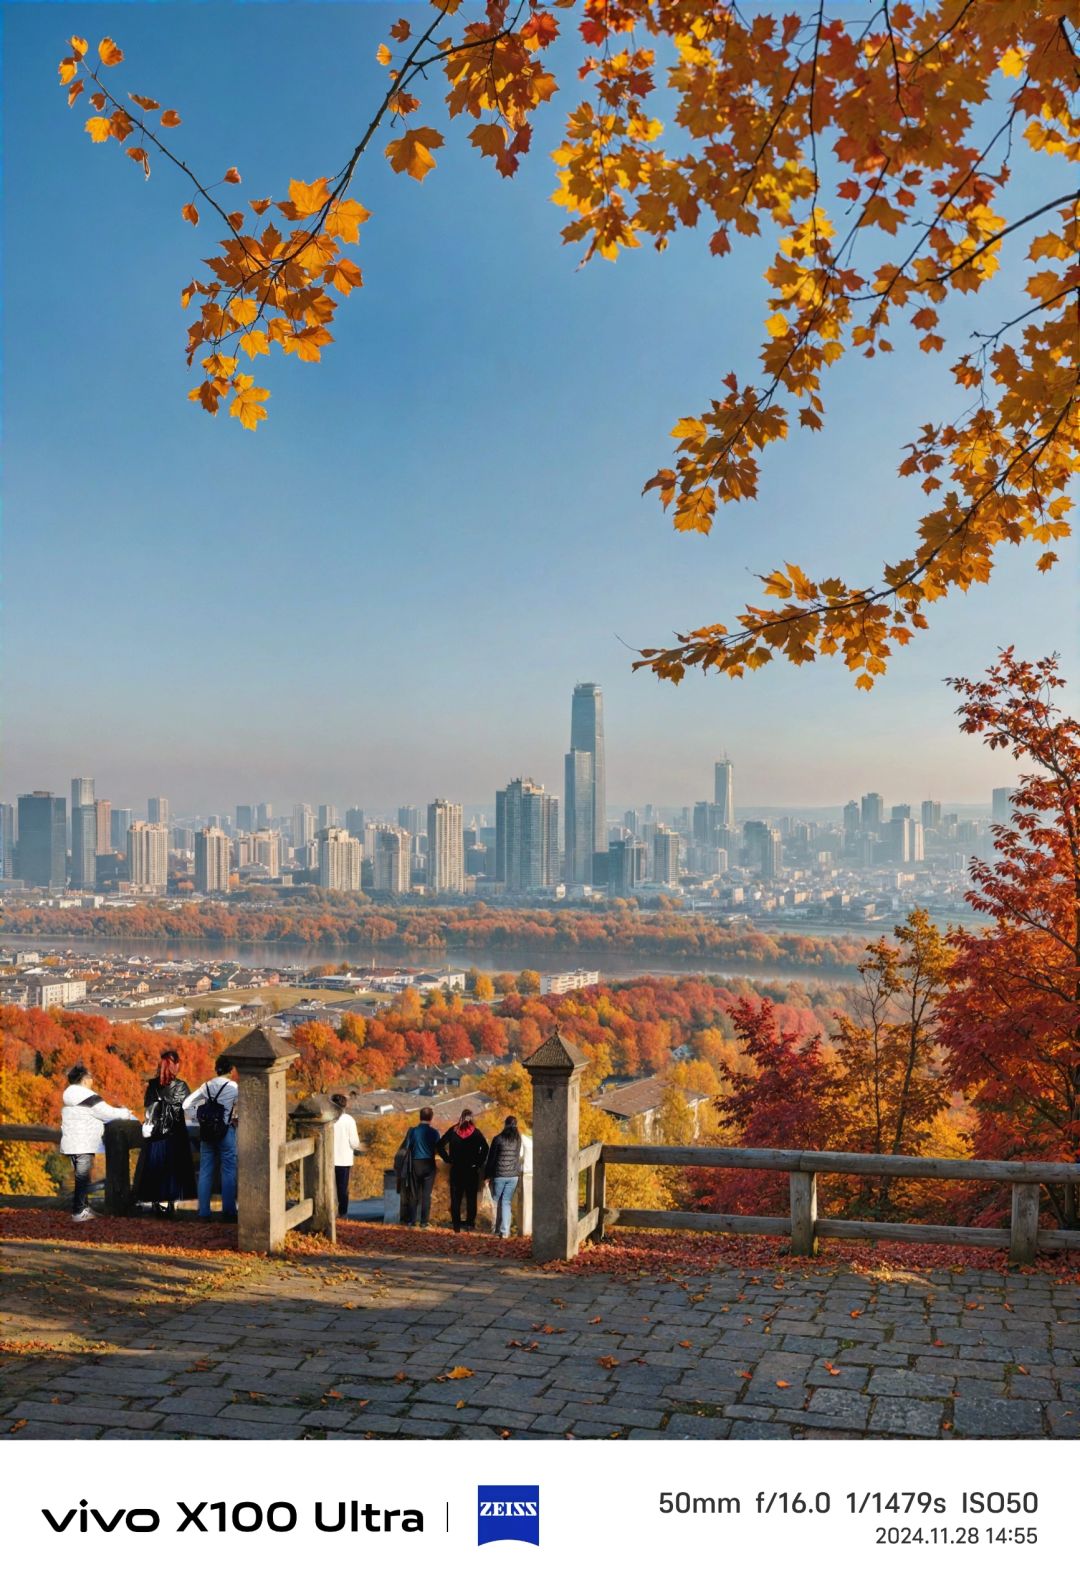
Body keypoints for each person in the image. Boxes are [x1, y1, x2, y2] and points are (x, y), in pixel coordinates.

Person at [59, 1065, 136, 1222]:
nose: (92, 1081)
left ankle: (82, 1208)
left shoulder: (69, 1097)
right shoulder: (89, 1098)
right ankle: (79, 1212)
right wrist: (126, 1113)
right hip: (84, 1141)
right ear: (85, 1080)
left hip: (71, 1141)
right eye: (90, 1078)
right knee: (82, 1177)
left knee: (81, 1175)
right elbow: (107, 1113)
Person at [132, 1049, 197, 1217]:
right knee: (174, 1169)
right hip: (176, 1134)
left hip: (156, 1135)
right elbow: (189, 1109)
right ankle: (170, 1205)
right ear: (175, 1065)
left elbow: (148, 1108)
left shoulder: (153, 1085)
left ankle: (155, 1203)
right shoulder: (181, 1086)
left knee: (155, 1167)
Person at [183, 1057, 238, 1221]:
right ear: (231, 1070)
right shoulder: (234, 1087)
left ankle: (204, 1212)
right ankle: (228, 1212)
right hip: (225, 1131)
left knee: (206, 1171)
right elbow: (243, 1106)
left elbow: (186, 1104)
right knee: (228, 1171)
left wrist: (198, 1117)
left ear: (217, 1069)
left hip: (207, 1132)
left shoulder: (206, 1086)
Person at [436, 1108, 489, 1233]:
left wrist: (448, 1159)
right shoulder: (476, 1133)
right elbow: (485, 1148)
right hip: (471, 1170)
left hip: (456, 1169)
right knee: (471, 1198)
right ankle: (470, 1224)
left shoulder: (453, 1131)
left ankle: (456, 1225)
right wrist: (478, 1162)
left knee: (456, 1198)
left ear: (461, 1117)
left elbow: (439, 1145)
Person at [485, 1115, 526, 1239]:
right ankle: (505, 1231)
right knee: (506, 1202)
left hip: (499, 1175)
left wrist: (487, 1175)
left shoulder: (498, 1139)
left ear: (505, 1124)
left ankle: (496, 1229)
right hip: (513, 1175)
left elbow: (491, 1159)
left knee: (496, 1201)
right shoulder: (518, 1140)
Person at [399, 1106, 440, 1228]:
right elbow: (438, 1148)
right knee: (426, 1195)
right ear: (431, 1118)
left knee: (413, 1193)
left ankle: (412, 1221)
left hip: (415, 1164)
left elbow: (407, 1146)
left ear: (420, 1116)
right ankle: (424, 1222)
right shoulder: (434, 1132)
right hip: (429, 1164)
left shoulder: (413, 1131)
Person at [331, 1094, 360, 1218]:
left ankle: (329, 1211)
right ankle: (343, 1213)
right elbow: (354, 1143)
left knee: (329, 1187)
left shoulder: (329, 1119)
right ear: (345, 1105)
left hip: (329, 1159)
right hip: (344, 1160)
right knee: (342, 1188)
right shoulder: (349, 1120)